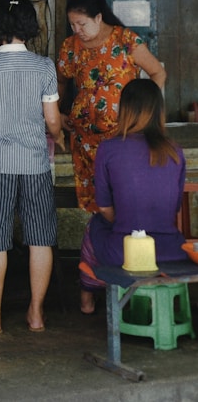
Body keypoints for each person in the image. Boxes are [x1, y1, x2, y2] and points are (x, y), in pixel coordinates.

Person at [0, 0, 64, 334]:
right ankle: (36, 313)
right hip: (36, 162)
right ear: (29, 26)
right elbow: (52, 120)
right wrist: (59, 136)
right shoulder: (44, 67)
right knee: (40, 237)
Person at [78, 79, 188, 314]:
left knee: (94, 225)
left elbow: (105, 209)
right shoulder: (175, 151)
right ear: (159, 110)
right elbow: (174, 207)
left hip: (125, 252)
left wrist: (128, 224)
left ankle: (87, 298)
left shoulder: (108, 149)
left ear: (124, 110)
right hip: (172, 251)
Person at [57, 0, 166, 213]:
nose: (77, 30)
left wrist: (144, 114)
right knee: (97, 201)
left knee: (123, 194)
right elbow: (59, 81)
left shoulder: (125, 40)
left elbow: (158, 73)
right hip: (84, 139)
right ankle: (101, 241)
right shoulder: (71, 46)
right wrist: (57, 113)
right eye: (73, 25)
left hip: (123, 134)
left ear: (98, 17)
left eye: (82, 24)